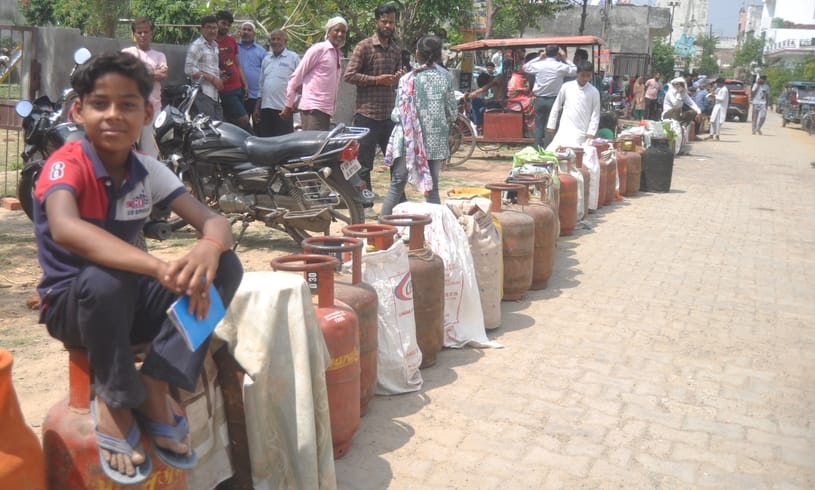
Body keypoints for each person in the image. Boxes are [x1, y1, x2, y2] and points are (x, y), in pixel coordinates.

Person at [33, 51, 243, 485]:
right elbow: (67, 228)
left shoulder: (147, 169)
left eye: (128, 104)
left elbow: (215, 221)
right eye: (100, 103)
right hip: (73, 308)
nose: (114, 115)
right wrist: (155, 266)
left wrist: (207, 248)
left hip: (128, 299)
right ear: (78, 110)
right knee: (106, 275)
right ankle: (114, 398)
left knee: (225, 269)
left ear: (148, 112)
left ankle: (157, 379)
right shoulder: (65, 164)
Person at [381, 35, 455, 216]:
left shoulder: (406, 79)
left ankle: (382, 229)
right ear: (438, 55)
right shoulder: (446, 77)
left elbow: (396, 113)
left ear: (417, 54)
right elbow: (452, 112)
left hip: (408, 140)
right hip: (435, 141)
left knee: (397, 184)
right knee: (432, 188)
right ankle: (435, 233)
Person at [344, 3, 406, 217]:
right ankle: (366, 205)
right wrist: (377, 80)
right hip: (366, 115)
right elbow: (349, 75)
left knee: (397, 161)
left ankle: (399, 203)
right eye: (385, 21)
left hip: (389, 115)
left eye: (391, 22)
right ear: (376, 22)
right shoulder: (364, 47)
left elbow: (397, 80)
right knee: (364, 164)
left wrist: (396, 78)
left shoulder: (396, 50)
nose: (388, 25)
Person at [283, 17, 347, 131]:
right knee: (314, 147)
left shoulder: (337, 54)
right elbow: (296, 77)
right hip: (313, 109)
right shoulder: (319, 49)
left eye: (343, 31)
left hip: (325, 111)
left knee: (320, 147)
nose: (340, 34)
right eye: (336, 30)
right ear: (328, 32)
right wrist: (288, 105)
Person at [121, 17, 167, 158]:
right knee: (125, 149)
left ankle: (148, 179)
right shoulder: (127, 54)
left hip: (153, 110)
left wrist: (138, 72)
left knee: (150, 153)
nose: (142, 35)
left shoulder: (159, 56)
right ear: (134, 34)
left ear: (151, 33)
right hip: (130, 109)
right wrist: (152, 73)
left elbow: (163, 74)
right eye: (139, 32)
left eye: (146, 32)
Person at [523, 44, 577, 149]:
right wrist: (565, 59)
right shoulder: (560, 66)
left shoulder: (539, 65)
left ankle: (537, 148)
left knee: (539, 125)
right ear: (557, 54)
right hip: (554, 100)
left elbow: (525, 67)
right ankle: (548, 148)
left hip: (539, 99)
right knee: (551, 125)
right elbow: (575, 70)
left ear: (545, 53)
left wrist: (539, 57)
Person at [545, 61, 601, 151]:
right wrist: (551, 125)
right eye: (582, 75)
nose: (585, 78)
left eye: (588, 75)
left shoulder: (594, 92)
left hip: (582, 131)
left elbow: (595, 114)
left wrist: (591, 132)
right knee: (554, 152)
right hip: (565, 129)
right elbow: (556, 106)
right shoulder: (566, 87)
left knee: (575, 155)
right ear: (577, 73)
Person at [255, 29, 300, 137]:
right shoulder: (266, 59)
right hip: (266, 108)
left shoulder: (293, 58)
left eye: (278, 39)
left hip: (283, 109)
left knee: (284, 142)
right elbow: (261, 85)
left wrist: (294, 104)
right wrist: (257, 107)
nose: (275, 42)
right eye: (273, 39)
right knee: (266, 141)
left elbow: (300, 83)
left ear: (285, 41)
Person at [215, 10, 251, 132]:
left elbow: (237, 63)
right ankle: (254, 141)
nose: (226, 27)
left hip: (237, 87)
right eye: (223, 23)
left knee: (233, 122)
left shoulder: (231, 40)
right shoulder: (211, 42)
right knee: (244, 119)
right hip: (225, 89)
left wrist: (245, 83)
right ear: (217, 22)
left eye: (228, 25)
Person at [184, 15, 223, 120]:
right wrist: (212, 79)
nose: (212, 30)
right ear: (202, 29)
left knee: (218, 128)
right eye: (208, 27)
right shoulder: (197, 46)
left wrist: (220, 76)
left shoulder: (215, 46)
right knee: (207, 131)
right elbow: (188, 69)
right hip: (202, 94)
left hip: (214, 95)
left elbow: (209, 68)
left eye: (214, 28)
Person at [237, 21, 267, 132]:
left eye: (249, 30)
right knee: (240, 129)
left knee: (259, 127)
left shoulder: (261, 51)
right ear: (240, 32)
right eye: (244, 29)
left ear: (254, 33)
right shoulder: (234, 48)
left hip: (256, 97)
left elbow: (266, 72)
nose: (246, 32)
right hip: (238, 95)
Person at [469, 61, 495, 132]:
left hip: (495, 101)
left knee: (475, 102)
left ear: (493, 68)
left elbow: (485, 88)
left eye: (491, 67)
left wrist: (474, 93)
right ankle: (478, 124)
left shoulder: (495, 78)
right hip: (490, 100)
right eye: (488, 67)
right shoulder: (492, 78)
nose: (489, 69)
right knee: (477, 105)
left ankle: (477, 124)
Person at [707, 77, 729, 141]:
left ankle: (717, 136)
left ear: (721, 83)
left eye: (718, 83)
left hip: (720, 108)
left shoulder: (724, 90)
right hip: (716, 106)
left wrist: (714, 96)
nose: (717, 84)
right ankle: (711, 135)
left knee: (718, 122)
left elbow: (722, 98)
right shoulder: (720, 89)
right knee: (712, 121)